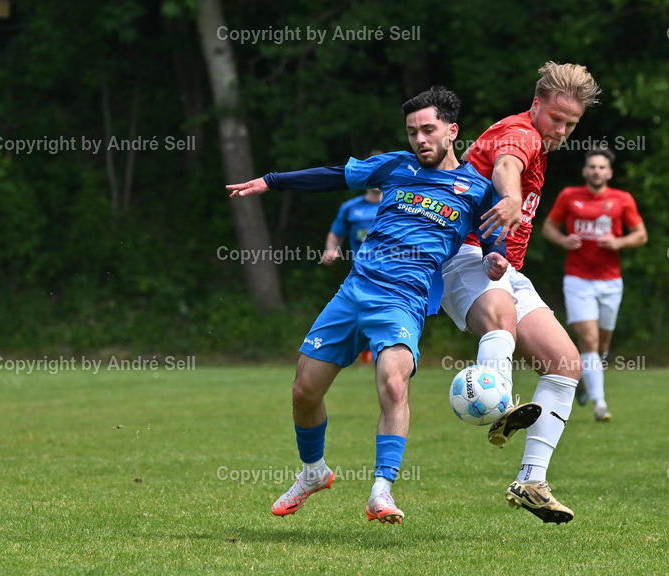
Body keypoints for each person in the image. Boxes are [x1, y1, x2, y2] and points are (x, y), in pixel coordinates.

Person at [225, 86, 520, 525]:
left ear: (452, 131)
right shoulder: (395, 166)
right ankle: (313, 472)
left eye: (428, 130)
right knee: (304, 390)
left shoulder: (476, 190)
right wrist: (272, 180)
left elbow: (496, 242)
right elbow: (333, 175)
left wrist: (496, 259)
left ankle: (382, 490)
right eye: (412, 131)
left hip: (404, 300)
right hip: (355, 289)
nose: (419, 139)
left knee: (393, 384)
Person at [439, 61, 601, 524]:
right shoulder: (522, 133)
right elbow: (509, 162)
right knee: (501, 314)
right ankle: (500, 401)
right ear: (536, 105)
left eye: (571, 124)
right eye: (556, 118)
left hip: (501, 266)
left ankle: (532, 480)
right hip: (464, 254)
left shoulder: (539, 141)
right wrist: (509, 196)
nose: (561, 130)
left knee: (565, 363)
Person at [543, 148, 647, 422]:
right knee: (588, 340)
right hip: (578, 280)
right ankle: (600, 405)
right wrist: (564, 240)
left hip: (611, 281)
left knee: (601, 347)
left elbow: (641, 235)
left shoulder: (622, 199)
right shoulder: (569, 196)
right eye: (592, 166)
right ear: (585, 171)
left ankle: (585, 382)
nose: (596, 171)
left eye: (602, 167)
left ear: (609, 173)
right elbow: (548, 228)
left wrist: (619, 242)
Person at [322, 161, 384, 364]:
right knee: (357, 312)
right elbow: (335, 235)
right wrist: (331, 250)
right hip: (361, 274)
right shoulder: (350, 208)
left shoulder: (396, 205)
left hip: (393, 273)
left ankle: (382, 353)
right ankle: (356, 351)